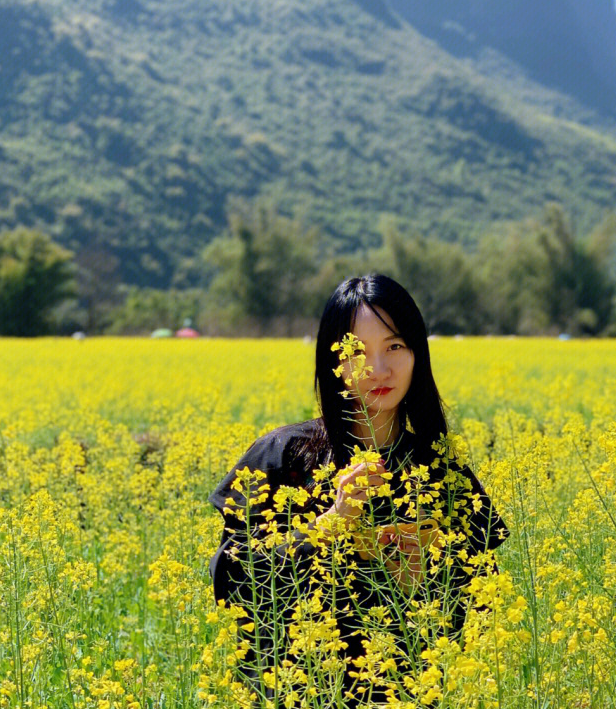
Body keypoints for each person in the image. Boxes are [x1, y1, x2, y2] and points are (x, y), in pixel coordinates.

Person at [208, 274, 509, 706]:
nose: (379, 369)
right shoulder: (282, 457)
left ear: (417, 354)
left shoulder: (442, 469)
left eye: (395, 346)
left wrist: (426, 577)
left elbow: (485, 603)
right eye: (357, 353)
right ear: (333, 361)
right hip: (301, 693)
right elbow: (232, 580)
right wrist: (332, 523)